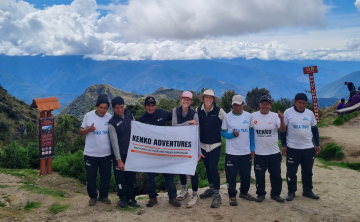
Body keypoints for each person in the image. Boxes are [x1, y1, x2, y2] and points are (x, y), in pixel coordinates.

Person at [137, 96, 181, 207]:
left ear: (155, 105)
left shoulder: (162, 113)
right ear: (145, 106)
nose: (151, 108)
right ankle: (152, 198)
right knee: (150, 176)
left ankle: (173, 198)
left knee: (168, 175)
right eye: (149, 105)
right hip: (150, 152)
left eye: (153, 105)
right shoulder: (141, 120)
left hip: (164, 150)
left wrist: (188, 121)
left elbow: (175, 116)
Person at [281, 93, 321, 201]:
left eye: (304, 103)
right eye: (299, 102)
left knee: (308, 171)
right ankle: (291, 191)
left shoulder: (310, 113)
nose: (301, 105)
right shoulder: (288, 112)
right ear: (295, 102)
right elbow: (283, 130)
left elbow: (315, 129)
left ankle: (307, 190)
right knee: (291, 172)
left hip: (308, 147)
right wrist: (284, 145)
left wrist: (317, 144)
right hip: (293, 148)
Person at [250, 95, 286, 203]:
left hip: (274, 152)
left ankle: (275, 194)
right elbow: (250, 132)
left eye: (267, 104)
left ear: (270, 105)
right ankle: (260, 194)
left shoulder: (275, 116)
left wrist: (282, 120)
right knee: (259, 175)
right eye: (262, 103)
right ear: (259, 104)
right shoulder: (253, 116)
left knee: (276, 175)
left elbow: (283, 130)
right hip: (259, 153)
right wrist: (251, 149)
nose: (264, 106)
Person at [221, 95, 256, 206]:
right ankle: (232, 196)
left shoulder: (248, 116)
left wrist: (252, 148)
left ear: (243, 104)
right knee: (231, 176)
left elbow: (251, 133)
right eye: (235, 104)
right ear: (232, 104)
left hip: (245, 152)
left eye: (239, 104)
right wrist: (232, 135)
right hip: (232, 152)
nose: (237, 107)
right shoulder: (227, 117)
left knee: (246, 174)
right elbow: (222, 133)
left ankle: (244, 192)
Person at [79, 94, 112, 206]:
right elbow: (80, 132)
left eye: (105, 108)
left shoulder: (109, 117)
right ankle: (92, 197)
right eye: (100, 107)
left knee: (106, 176)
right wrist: (88, 129)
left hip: (106, 154)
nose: (102, 110)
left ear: (108, 108)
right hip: (91, 153)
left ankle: (103, 196)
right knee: (91, 177)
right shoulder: (89, 116)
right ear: (97, 107)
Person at [172, 91, 203, 208]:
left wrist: (199, 151)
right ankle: (184, 189)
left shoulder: (194, 114)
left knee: (192, 169)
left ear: (191, 101)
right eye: (184, 99)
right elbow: (174, 126)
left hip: (191, 146)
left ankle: (195, 194)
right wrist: (188, 122)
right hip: (179, 145)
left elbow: (197, 134)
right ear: (181, 99)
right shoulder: (175, 111)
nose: (186, 101)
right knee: (181, 167)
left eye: (188, 100)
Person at [196, 89, 226, 208]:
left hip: (215, 144)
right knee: (208, 167)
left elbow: (228, 121)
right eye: (206, 97)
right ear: (203, 98)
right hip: (203, 144)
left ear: (213, 99)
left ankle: (217, 195)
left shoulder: (219, 111)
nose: (208, 99)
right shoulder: (198, 110)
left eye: (210, 97)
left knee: (213, 168)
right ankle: (211, 188)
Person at [108, 96, 140, 208]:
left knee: (131, 177)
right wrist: (119, 160)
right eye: (117, 108)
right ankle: (122, 198)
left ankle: (132, 198)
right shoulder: (112, 123)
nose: (120, 110)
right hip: (119, 156)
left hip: (131, 154)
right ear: (113, 108)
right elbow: (114, 143)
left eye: (122, 107)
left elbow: (136, 128)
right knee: (120, 178)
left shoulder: (129, 114)